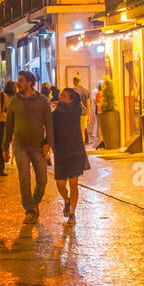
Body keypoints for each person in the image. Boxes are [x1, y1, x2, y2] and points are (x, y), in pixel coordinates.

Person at [4, 70, 52, 225]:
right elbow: (8, 125)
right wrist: (5, 148)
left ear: (30, 83)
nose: (18, 83)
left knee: (42, 180)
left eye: (21, 80)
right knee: (24, 179)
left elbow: (49, 124)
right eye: (18, 80)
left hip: (38, 146)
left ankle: (35, 202)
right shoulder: (14, 102)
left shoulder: (42, 101)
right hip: (20, 146)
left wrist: (48, 143)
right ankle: (29, 210)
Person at [51, 88, 92, 222]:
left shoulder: (75, 111)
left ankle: (72, 213)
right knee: (60, 183)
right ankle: (67, 200)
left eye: (64, 96)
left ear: (71, 100)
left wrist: (58, 104)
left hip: (75, 150)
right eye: (61, 96)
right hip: (61, 151)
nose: (61, 98)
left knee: (74, 183)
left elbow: (70, 114)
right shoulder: (56, 113)